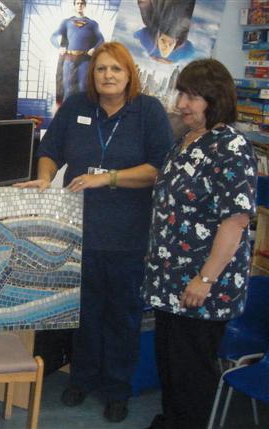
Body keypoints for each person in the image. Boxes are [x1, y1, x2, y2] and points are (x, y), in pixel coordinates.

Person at [16, 41, 173, 423]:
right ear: (92, 74)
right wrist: (44, 177)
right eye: (101, 69)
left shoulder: (148, 111)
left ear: (129, 73)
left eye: (115, 69)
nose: (107, 76)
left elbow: (159, 167)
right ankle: (81, 379)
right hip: (78, 231)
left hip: (127, 235)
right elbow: (51, 149)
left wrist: (109, 179)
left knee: (122, 316)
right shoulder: (76, 107)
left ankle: (117, 388)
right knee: (83, 312)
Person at [141, 59, 257, 429]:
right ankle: (170, 419)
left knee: (191, 370)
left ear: (215, 98)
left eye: (192, 96)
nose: (181, 104)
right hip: (169, 278)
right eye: (181, 93)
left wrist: (204, 280)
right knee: (170, 361)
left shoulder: (231, 147)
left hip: (202, 285)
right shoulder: (188, 140)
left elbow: (236, 221)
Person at [51, 0, 104, 100]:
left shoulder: (92, 23)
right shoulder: (66, 22)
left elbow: (101, 39)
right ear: (74, 5)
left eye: (82, 3)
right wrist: (59, 47)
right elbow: (53, 37)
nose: (80, 5)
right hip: (69, 59)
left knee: (83, 88)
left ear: (85, 5)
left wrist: (94, 48)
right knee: (67, 88)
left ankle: (80, 113)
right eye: (77, 3)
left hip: (84, 59)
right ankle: (66, 113)